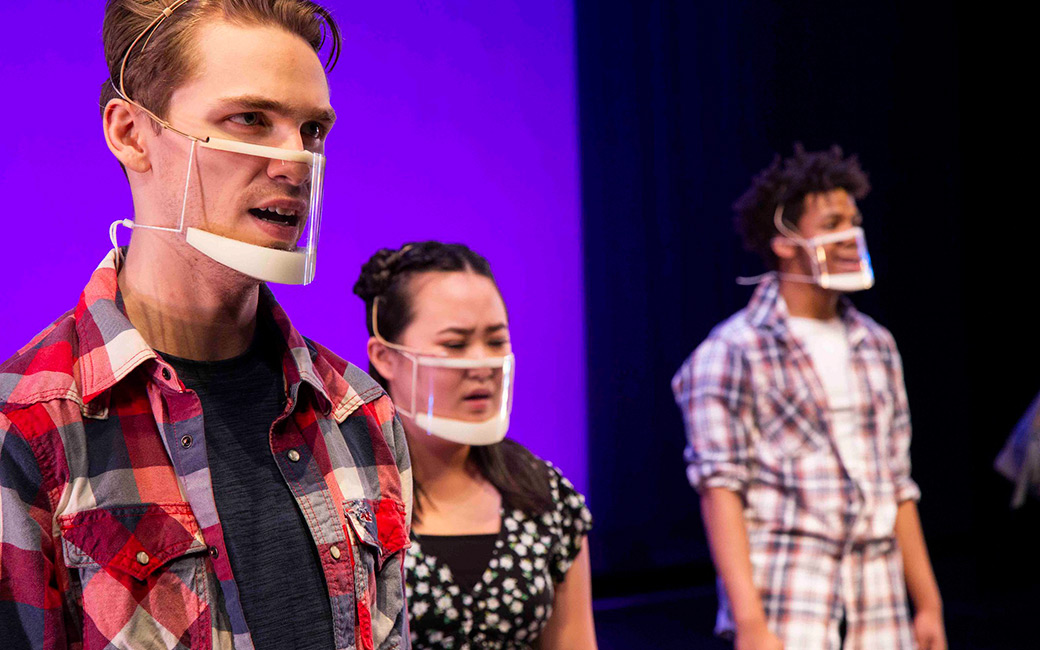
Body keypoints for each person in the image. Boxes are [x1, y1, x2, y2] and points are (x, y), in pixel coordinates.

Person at [0, 2, 411, 649]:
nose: (295, 160)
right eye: (251, 119)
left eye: (311, 130)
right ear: (131, 133)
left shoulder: (359, 414)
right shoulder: (25, 431)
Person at [671, 145, 946, 649]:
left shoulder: (877, 346)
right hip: (789, 597)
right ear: (784, 240)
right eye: (833, 221)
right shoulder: (732, 352)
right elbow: (720, 492)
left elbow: (897, 485)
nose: (850, 236)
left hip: (877, 598)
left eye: (854, 220)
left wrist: (927, 604)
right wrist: (750, 623)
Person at [352, 242, 596, 650]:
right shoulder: (348, 499)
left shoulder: (546, 495)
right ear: (386, 357)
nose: (482, 364)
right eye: (456, 343)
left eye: (496, 341)